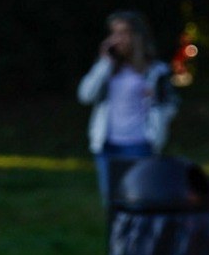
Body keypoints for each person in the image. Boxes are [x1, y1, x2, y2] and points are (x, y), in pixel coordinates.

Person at [77, 10, 179, 203]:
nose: (117, 39)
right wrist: (104, 63)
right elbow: (85, 95)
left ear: (137, 36)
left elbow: (170, 105)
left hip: (140, 146)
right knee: (112, 201)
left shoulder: (155, 71)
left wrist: (155, 105)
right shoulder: (108, 68)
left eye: (123, 32)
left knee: (140, 200)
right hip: (107, 146)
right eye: (114, 33)